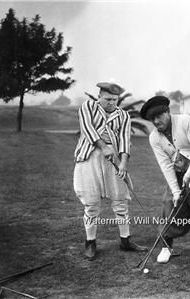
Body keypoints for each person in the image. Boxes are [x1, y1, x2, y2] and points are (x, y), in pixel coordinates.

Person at [140, 95, 190, 270]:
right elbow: (166, 166)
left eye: (159, 116)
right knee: (169, 205)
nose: (156, 121)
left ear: (168, 112)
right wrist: (176, 192)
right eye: (152, 119)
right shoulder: (154, 137)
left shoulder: (185, 121)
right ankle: (166, 247)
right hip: (177, 175)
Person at [73, 80, 147, 260]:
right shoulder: (87, 107)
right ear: (99, 96)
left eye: (114, 100)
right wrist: (102, 146)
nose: (111, 103)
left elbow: (124, 140)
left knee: (120, 200)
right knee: (91, 203)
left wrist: (123, 163)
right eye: (107, 99)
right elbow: (88, 129)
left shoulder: (123, 115)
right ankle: (90, 242)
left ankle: (125, 240)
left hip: (112, 158)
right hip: (89, 156)